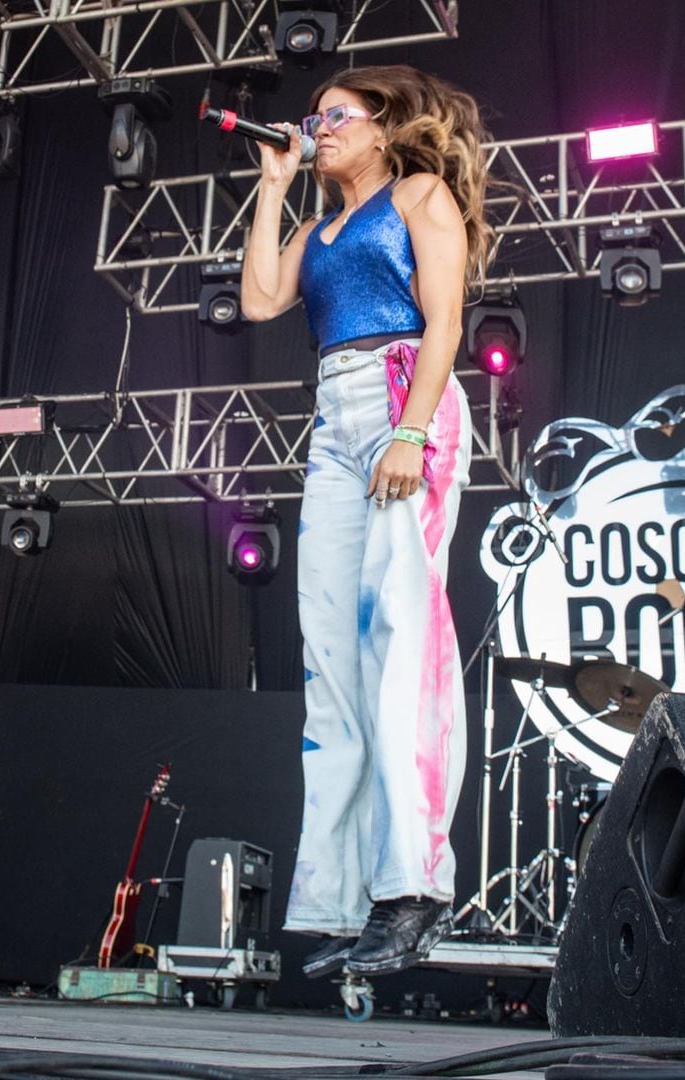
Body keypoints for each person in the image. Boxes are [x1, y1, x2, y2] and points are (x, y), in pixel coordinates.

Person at [240, 64, 493, 978]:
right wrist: (272, 186)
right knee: (331, 658)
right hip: (333, 413)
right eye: (315, 119)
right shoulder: (319, 226)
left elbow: (446, 321)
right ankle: (342, 897)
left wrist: (414, 431)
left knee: (401, 637)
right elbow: (261, 300)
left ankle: (415, 885)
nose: (319, 127)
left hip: (399, 393)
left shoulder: (419, 193)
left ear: (384, 129)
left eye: (336, 116)